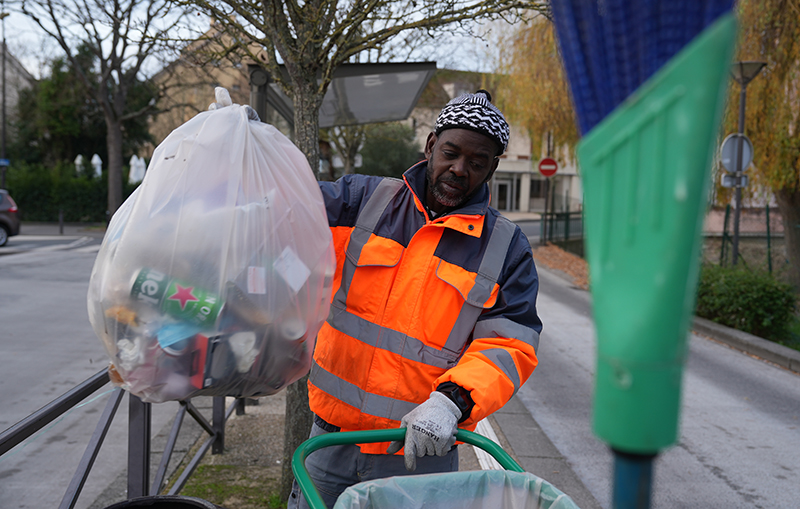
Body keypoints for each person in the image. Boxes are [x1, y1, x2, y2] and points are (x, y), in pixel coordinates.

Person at [287, 89, 543, 509]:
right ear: (430, 146)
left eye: (476, 163)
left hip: (419, 453)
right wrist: (248, 152)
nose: (459, 169)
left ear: (492, 168)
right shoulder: (364, 201)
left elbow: (510, 346)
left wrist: (452, 402)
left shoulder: (506, 248)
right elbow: (288, 211)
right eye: (451, 153)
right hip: (330, 441)